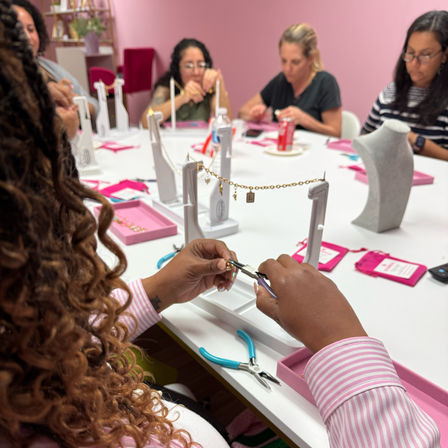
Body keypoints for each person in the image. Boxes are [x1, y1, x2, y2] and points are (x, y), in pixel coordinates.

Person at [0, 4, 440, 446]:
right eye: (50, 118)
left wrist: (155, 289)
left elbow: (61, 339)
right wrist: (339, 342)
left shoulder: (27, 348)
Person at [362, 10, 448, 161]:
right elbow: (364, 137)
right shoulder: (390, 92)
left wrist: (416, 141)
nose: (414, 63)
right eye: (410, 53)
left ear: (444, 55)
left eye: (425, 55)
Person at [239, 23, 342, 137]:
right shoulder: (280, 81)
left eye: (295, 62)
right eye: (283, 61)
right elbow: (242, 112)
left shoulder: (325, 83)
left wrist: (304, 119)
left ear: (310, 59)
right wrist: (254, 114)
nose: (287, 69)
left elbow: (335, 133)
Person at [12, 0, 98, 123]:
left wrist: (79, 103)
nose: (27, 37)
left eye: (31, 29)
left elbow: (94, 104)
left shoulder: (51, 68)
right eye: (18, 30)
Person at [142, 38, 231, 127]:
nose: (196, 72)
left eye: (200, 65)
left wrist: (220, 84)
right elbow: (146, 122)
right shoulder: (168, 85)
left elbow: (227, 122)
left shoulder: (209, 88)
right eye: (189, 66)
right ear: (178, 68)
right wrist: (183, 97)